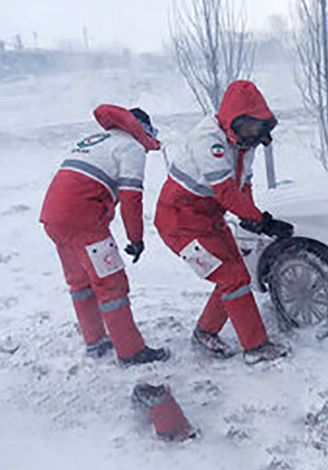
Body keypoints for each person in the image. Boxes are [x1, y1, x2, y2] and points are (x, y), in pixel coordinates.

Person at [154, 80, 293, 364]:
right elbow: (226, 191)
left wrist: (251, 215)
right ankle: (255, 347)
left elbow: (243, 186)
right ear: (234, 119)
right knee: (231, 278)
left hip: (209, 217)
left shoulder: (244, 143)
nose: (253, 134)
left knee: (235, 274)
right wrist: (262, 221)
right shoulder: (209, 140)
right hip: (180, 220)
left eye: (258, 127)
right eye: (249, 126)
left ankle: (205, 332)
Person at [40, 105, 169, 365]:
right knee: (112, 283)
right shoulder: (130, 147)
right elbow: (132, 198)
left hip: (54, 217)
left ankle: (95, 341)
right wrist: (136, 239)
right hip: (84, 220)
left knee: (80, 281)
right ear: (142, 130)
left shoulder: (94, 140)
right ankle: (131, 351)